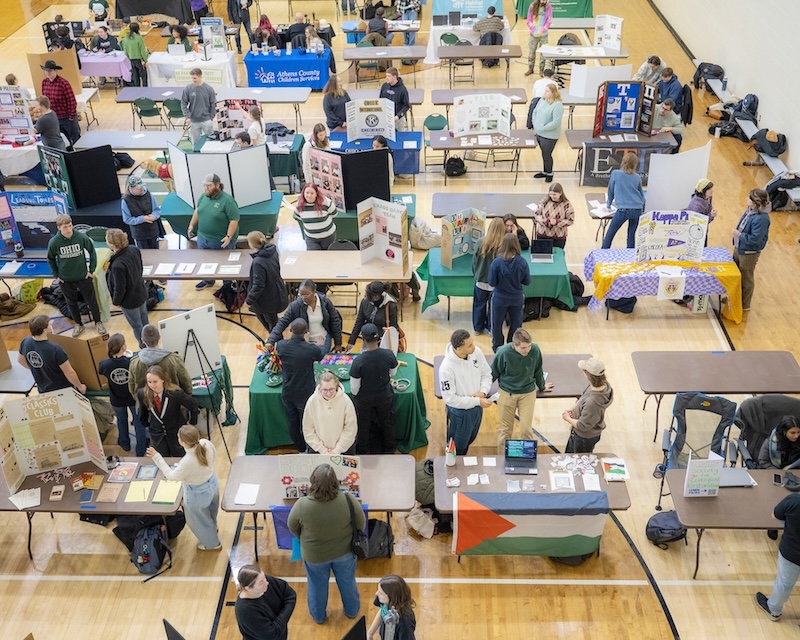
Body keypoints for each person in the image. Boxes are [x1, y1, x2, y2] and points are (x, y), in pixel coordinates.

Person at [287, 463, 364, 625]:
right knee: (347, 582)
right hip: (345, 552)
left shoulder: (302, 505)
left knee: (316, 586)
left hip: (314, 555)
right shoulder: (348, 499)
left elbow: (292, 527)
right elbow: (360, 523)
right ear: (335, 482)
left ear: (313, 482)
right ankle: (352, 611)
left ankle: (318, 616)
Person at [147, 424, 222, 550]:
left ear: (183, 442)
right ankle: (213, 528)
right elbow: (213, 457)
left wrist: (157, 457)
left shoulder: (187, 461)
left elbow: (171, 476)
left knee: (199, 520)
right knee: (211, 512)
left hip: (197, 494)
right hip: (212, 483)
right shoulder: (205, 443)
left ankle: (212, 544)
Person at [491, 329, 553, 454]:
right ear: (514, 345)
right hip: (507, 392)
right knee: (505, 430)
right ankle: (502, 458)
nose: (527, 350)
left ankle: (527, 457)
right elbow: (493, 373)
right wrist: (482, 391)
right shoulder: (503, 352)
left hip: (527, 393)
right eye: (523, 348)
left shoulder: (535, 350)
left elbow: (538, 369)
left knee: (526, 429)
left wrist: (541, 386)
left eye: (529, 346)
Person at [47, 214, 105, 337]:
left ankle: (98, 322)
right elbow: (50, 259)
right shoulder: (54, 242)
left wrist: (91, 270)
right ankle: (78, 324)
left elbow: (92, 252)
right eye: (65, 227)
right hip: (65, 279)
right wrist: (56, 274)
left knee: (92, 301)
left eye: (70, 226)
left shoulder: (81, 237)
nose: (68, 230)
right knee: (71, 303)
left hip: (83, 276)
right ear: (58, 228)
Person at [439, 329, 493, 455]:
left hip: (477, 408)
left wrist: (483, 392)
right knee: (458, 447)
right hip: (460, 413)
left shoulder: (476, 352)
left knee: (470, 439)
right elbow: (450, 399)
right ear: (458, 349)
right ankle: (454, 470)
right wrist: (477, 400)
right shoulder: (446, 369)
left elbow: (486, 373)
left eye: (472, 342)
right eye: (469, 345)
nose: (474, 347)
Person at [275, 318, 323, 452]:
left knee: (292, 422)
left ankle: (300, 448)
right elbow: (319, 355)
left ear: (290, 330)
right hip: (305, 393)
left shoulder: (281, 345)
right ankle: (310, 447)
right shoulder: (311, 349)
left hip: (288, 391)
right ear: (306, 332)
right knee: (307, 424)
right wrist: (318, 344)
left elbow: (279, 348)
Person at [350, 323, 399, 454]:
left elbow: (354, 389)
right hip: (384, 397)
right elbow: (393, 373)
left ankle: (364, 452)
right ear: (378, 339)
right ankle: (390, 449)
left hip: (364, 400)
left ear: (363, 340)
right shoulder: (388, 354)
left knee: (363, 426)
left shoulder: (358, 361)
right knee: (387, 423)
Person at [187, 173, 240, 289]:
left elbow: (234, 220)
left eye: (208, 186)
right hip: (203, 238)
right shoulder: (203, 197)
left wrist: (229, 236)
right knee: (205, 261)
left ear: (217, 185)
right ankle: (208, 280)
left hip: (221, 241)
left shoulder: (228, 201)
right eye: (205, 186)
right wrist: (191, 225)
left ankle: (227, 284)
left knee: (225, 263)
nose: (205, 188)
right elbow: (197, 211)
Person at [267, 280, 343, 357]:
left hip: (323, 339)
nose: (303, 298)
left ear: (314, 291)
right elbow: (282, 322)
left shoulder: (325, 302)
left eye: (306, 295)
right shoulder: (296, 305)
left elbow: (335, 320)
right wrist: (271, 340)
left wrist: (338, 343)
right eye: (301, 294)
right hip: (304, 341)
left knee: (320, 357)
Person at [755, 493, 800, 622]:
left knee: (784, 583)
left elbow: (775, 515)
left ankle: (774, 610)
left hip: (791, 553)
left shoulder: (793, 501)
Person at [138, 364, 200, 458]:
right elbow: (142, 411)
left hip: (177, 434)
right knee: (162, 460)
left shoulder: (175, 394)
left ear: (163, 379)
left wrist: (192, 422)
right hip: (157, 436)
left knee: (180, 459)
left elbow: (193, 405)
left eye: (155, 381)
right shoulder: (143, 394)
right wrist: (147, 425)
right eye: (149, 382)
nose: (152, 385)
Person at [99, 334, 146, 455]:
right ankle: (141, 449)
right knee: (138, 422)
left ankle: (125, 444)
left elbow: (101, 372)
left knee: (121, 420)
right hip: (132, 398)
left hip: (116, 399)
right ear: (124, 346)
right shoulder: (131, 362)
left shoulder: (104, 364)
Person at [18, 314, 86, 394]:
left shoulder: (25, 342)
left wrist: (37, 369)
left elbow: (20, 360)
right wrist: (80, 386)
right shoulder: (55, 349)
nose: (51, 326)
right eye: (49, 325)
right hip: (62, 389)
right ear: (44, 330)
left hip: (43, 390)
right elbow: (69, 373)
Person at [105, 228, 149, 350]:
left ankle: (143, 348)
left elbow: (120, 288)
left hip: (129, 301)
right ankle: (150, 344)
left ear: (112, 244)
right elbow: (140, 269)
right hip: (141, 292)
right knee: (145, 322)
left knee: (137, 326)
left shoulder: (117, 265)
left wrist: (116, 301)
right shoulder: (134, 249)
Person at [561, 357, 613, 453]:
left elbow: (583, 425)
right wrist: (574, 409)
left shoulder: (592, 403)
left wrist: (567, 418)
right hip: (579, 432)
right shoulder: (602, 386)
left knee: (578, 462)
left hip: (584, 438)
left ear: (588, 375)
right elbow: (583, 398)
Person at [488, 233, 530, 353]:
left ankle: (498, 348)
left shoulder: (496, 263)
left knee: (496, 324)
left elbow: (491, 282)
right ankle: (513, 347)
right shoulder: (522, 262)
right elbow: (527, 281)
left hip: (499, 298)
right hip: (517, 298)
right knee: (516, 324)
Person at [128, 323, 193, 396]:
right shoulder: (174, 359)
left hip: (146, 404)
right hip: (174, 403)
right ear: (159, 337)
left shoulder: (134, 363)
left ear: (143, 340)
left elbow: (132, 387)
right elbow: (186, 381)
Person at [235, 564, 297, 640]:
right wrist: (285, 612)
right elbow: (273, 634)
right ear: (248, 588)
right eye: (261, 583)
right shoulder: (246, 611)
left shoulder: (266, 581)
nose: (267, 583)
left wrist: (280, 621)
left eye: (264, 577)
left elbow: (290, 594)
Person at [733, 188, 771, 311]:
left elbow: (755, 239)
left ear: (756, 202)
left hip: (749, 252)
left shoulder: (762, 219)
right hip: (740, 247)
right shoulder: (750, 210)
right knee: (736, 275)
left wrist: (739, 235)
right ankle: (736, 299)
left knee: (746, 278)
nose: (746, 199)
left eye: (749, 198)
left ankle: (744, 304)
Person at [303, 371, 357, 454]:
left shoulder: (346, 401)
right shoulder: (312, 402)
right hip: (318, 451)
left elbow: (350, 429)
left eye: (331, 389)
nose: (328, 393)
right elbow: (308, 429)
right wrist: (322, 449)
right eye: (325, 390)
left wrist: (338, 450)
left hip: (344, 450)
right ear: (319, 388)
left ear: (337, 387)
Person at [601, 152, 645, 249]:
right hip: (637, 209)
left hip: (623, 210)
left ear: (623, 161)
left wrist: (608, 205)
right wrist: (643, 208)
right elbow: (641, 194)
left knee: (610, 233)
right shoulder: (637, 177)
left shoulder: (616, 173)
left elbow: (610, 190)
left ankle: (603, 253)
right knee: (631, 235)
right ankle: (630, 257)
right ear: (635, 164)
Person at [246, 230, 287, 334]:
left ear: (252, 244)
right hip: (277, 289)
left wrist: (249, 300)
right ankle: (275, 341)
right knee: (273, 321)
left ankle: (275, 343)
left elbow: (258, 285)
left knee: (271, 324)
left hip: (266, 298)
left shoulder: (258, 262)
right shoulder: (272, 251)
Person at [471, 217, 505, 335]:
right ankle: (491, 329)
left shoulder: (481, 242)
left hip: (481, 280)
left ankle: (477, 328)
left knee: (479, 305)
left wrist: (475, 274)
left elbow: (474, 262)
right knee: (494, 308)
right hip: (496, 284)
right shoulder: (504, 246)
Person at [347, 281, 398, 352]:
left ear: (377, 296)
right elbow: (359, 322)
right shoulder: (365, 302)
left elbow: (394, 328)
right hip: (367, 339)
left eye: (371, 297)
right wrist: (351, 341)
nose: (366, 298)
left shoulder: (391, 306)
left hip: (383, 341)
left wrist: (388, 331)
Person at [40, 60, 79, 146]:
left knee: (75, 140)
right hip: (53, 118)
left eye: (50, 70)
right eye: (46, 70)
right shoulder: (44, 83)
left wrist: (71, 117)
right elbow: (44, 100)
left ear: (55, 71)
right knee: (61, 141)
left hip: (66, 118)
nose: (47, 73)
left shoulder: (63, 83)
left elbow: (71, 101)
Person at [531, 82, 563, 183]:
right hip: (539, 133)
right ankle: (545, 171)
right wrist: (534, 122)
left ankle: (549, 173)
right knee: (544, 153)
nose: (544, 93)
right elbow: (535, 111)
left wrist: (543, 128)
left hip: (550, 136)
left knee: (547, 154)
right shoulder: (542, 100)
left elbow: (556, 122)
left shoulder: (557, 105)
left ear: (553, 93)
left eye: (547, 91)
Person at [368, 574, 416, 640]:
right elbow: (382, 609)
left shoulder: (405, 621)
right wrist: (370, 633)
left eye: (381, 593)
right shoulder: (385, 601)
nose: (376, 593)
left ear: (392, 597)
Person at [293, 182, 338, 251]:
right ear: (303, 193)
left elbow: (334, 213)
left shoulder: (326, 202)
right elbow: (298, 217)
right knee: (313, 258)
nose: (309, 195)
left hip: (328, 237)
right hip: (311, 238)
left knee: (329, 258)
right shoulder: (299, 206)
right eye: (307, 193)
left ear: (316, 194)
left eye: (312, 193)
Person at [121, 175, 162, 250]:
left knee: (156, 254)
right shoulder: (126, 200)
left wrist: (154, 216)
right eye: (138, 188)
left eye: (141, 186)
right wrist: (142, 219)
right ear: (131, 188)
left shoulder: (149, 195)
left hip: (153, 232)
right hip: (139, 235)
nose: (141, 189)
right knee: (144, 256)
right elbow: (127, 219)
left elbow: (157, 210)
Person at [180, 68, 217, 146]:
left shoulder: (209, 89)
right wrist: (187, 116)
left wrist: (211, 117)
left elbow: (213, 104)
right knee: (196, 143)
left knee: (210, 142)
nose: (193, 80)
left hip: (206, 120)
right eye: (192, 78)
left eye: (195, 78)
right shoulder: (188, 88)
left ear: (200, 77)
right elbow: (183, 103)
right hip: (193, 121)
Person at [534, 182, 575, 249]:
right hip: (543, 235)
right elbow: (536, 215)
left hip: (558, 237)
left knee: (557, 256)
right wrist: (545, 221)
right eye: (550, 194)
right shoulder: (544, 201)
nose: (552, 196)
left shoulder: (567, 205)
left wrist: (557, 222)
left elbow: (570, 220)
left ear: (560, 193)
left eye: (554, 194)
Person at [685, 178, 717, 245]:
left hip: (703, 231)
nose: (712, 191)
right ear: (703, 191)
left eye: (711, 188)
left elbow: (709, 207)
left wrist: (711, 212)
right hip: (696, 233)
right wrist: (711, 215)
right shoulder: (696, 206)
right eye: (709, 189)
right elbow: (699, 223)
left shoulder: (708, 197)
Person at [525, 0, 552, 76]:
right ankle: (530, 69)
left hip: (544, 35)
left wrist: (543, 29)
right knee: (531, 52)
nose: (544, 1)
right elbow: (528, 20)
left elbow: (549, 20)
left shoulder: (549, 7)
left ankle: (541, 70)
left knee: (543, 53)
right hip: (533, 35)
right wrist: (533, 29)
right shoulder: (532, 6)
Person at [120, 23, 149, 87]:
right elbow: (142, 51)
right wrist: (145, 60)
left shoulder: (126, 38)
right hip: (139, 60)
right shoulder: (139, 38)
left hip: (130, 59)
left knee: (135, 76)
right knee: (143, 76)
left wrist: (128, 57)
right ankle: (145, 88)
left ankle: (136, 89)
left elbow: (125, 51)